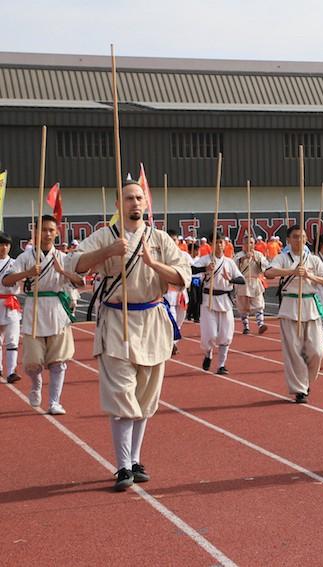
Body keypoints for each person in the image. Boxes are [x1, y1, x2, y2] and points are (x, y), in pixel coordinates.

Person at [66, 181, 190, 491]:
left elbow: (182, 276)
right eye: (128, 198)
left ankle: (134, 459)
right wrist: (109, 251)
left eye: (139, 198)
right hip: (117, 321)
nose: (134, 203)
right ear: (118, 204)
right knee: (122, 394)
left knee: (145, 398)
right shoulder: (104, 235)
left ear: (146, 204)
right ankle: (122, 466)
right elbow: (75, 266)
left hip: (152, 320)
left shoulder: (160, 239)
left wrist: (152, 263)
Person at [3, 215, 83, 415]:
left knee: (58, 361)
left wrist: (62, 272)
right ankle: (36, 384)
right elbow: (7, 280)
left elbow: (80, 282)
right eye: (43, 230)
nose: (47, 234)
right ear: (35, 233)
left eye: (51, 230)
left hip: (57, 310)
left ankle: (54, 401)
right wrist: (27, 272)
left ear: (57, 232)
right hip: (34, 309)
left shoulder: (63, 258)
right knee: (32, 363)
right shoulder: (25, 257)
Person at [264, 225, 323, 403]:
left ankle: (306, 381)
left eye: (302, 237)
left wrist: (310, 276)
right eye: (295, 237)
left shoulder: (314, 260)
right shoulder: (282, 258)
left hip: (310, 305)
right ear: (288, 240)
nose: (299, 240)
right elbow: (268, 273)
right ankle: (300, 390)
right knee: (294, 351)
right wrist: (291, 272)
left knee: (316, 351)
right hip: (290, 306)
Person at [192, 233, 245, 375]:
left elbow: (241, 279)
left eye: (221, 242)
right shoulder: (205, 260)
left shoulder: (229, 262)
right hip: (208, 299)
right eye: (216, 242)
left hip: (225, 300)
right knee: (210, 334)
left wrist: (231, 280)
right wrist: (205, 269)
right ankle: (208, 354)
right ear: (210, 244)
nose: (219, 245)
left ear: (225, 244)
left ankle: (221, 364)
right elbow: (190, 270)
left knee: (226, 334)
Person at [234, 235, 269, 335]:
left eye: (251, 243)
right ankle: (246, 326)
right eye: (246, 243)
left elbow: (265, 266)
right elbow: (234, 266)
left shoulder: (259, 255)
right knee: (243, 306)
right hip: (243, 283)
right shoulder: (238, 255)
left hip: (255, 282)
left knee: (259, 304)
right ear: (243, 245)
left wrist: (256, 260)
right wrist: (244, 258)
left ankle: (261, 324)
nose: (249, 245)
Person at [164, 229, 193, 355]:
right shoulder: (163, 257)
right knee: (172, 319)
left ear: (178, 241)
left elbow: (195, 267)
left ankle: (173, 342)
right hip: (168, 293)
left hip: (181, 294)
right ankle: (171, 343)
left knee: (180, 319)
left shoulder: (184, 255)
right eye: (169, 239)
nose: (172, 242)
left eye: (174, 240)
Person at [0, 232, 22, 383]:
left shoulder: (15, 264)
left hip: (10, 303)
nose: (3, 247)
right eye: (1, 244)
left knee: (12, 339)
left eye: (6, 244)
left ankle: (11, 372)